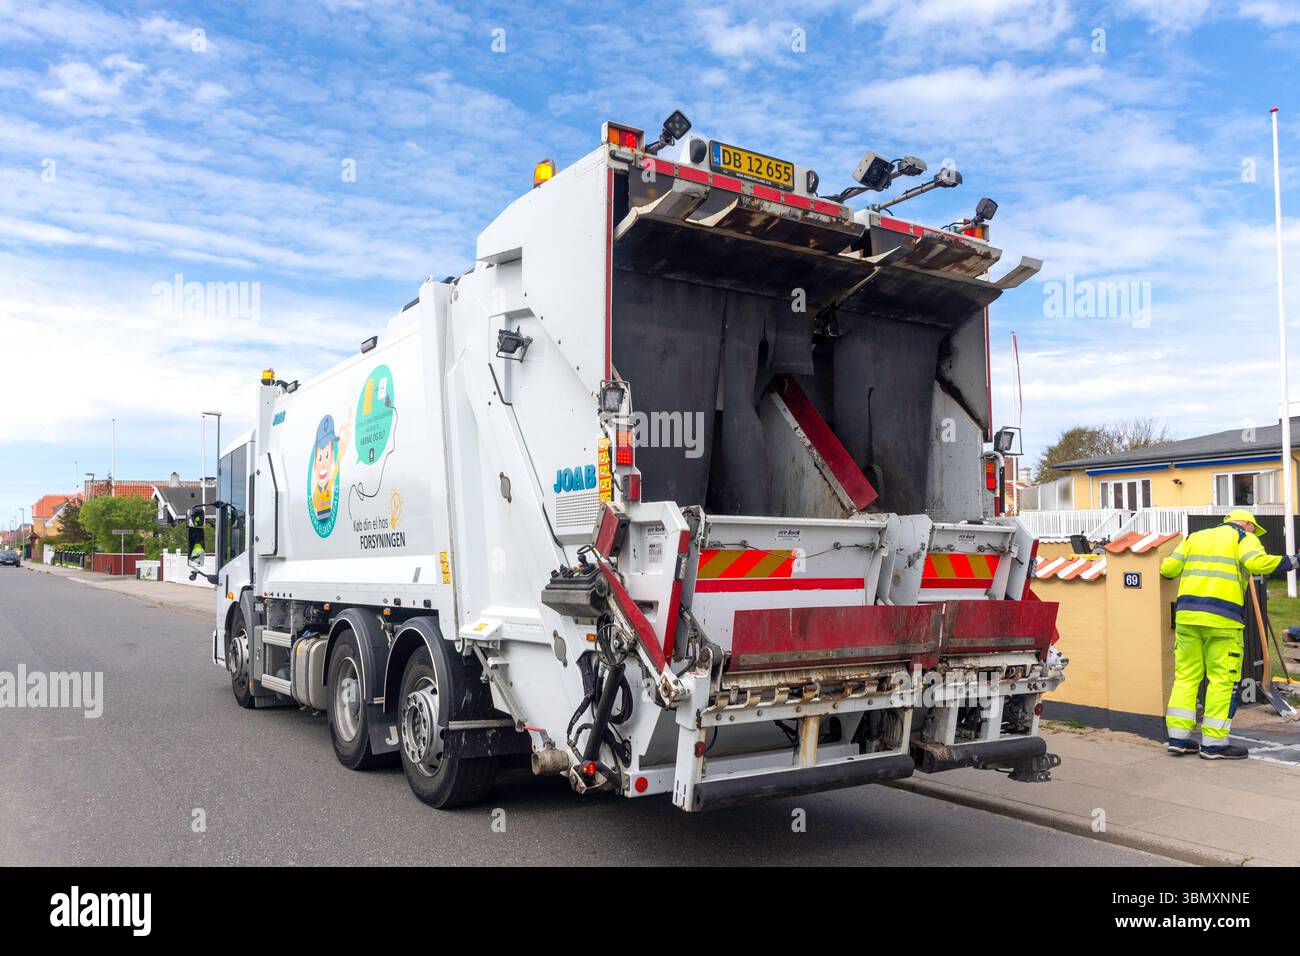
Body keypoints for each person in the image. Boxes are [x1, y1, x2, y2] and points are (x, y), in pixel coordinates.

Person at [1159, 510, 1299, 759]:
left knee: (1186, 677)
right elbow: (1258, 563)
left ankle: (1178, 739)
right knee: (1222, 680)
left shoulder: (1195, 537)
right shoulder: (1243, 537)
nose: (1255, 532)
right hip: (1223, 621)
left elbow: (1169, 568)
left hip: (1187, 618)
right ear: (1247, 523)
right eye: (1255, 528)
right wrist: (1294, 560)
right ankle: (1214, 744)